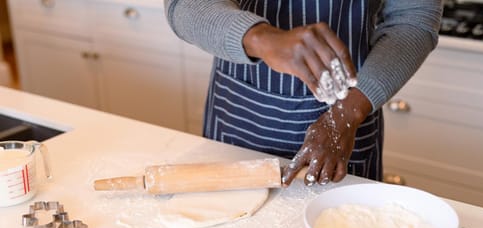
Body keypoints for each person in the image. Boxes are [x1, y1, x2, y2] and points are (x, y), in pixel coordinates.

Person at [164, 0, 443, 186]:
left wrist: (348, 112)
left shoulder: (349, 112)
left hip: (350, 110)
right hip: (238, 116)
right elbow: (183, 5)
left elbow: (413, 18)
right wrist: (260, 39)